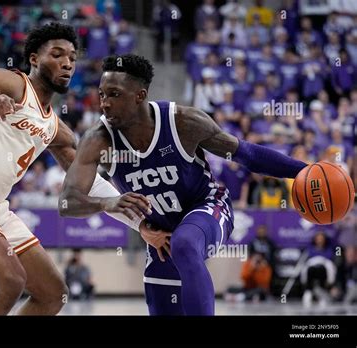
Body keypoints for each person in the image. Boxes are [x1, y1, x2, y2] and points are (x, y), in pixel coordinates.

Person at [0, 23, 153, 316]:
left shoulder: (57, 129)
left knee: (53, 294)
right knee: (10, 282)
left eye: (72, 57)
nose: (67, 63)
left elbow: (89, 184)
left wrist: (143, 226)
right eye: (57, 55)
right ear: (34, 59)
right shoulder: (12, 84)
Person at [59, 54, 308, 315]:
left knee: (185, 243)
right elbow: (67, 201)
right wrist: (109, 202)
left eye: (114, 94)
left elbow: (247, 154)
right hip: (160, 235)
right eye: (101, 95)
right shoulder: (99, 139)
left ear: (140, 96)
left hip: (208, 208)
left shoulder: (182, 122)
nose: (104, 104)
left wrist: (304, 170)